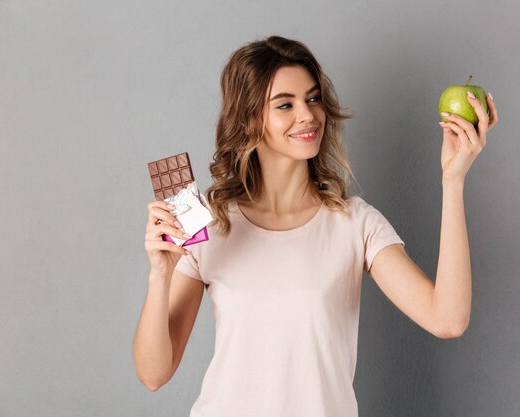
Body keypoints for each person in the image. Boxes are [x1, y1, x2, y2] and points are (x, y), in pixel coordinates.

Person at [133, 35, 498, 417]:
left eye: (312, 98)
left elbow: (448, 319)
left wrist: (452, 181)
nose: (307, 115)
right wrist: (160, 274)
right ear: (249, 119)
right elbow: (153, 374)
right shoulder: (210, 223)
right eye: (285, 104)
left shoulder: (354, 223)